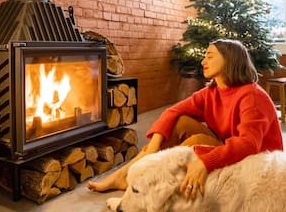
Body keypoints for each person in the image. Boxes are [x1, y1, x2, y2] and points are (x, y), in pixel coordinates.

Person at [87, 39, 283, 201]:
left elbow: (248, 144)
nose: (203, 61)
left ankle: (151, 181)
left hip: (257, 162)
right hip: (227, 145)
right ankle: (128, 174)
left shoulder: (251, 95)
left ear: (230, 59)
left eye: (210, 56)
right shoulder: (212, 92)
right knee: (179, 121)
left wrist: (205, 162)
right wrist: (154, 146)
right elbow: (173, 111)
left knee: (196, 142)